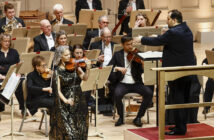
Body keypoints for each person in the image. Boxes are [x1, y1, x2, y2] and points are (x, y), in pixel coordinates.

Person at [134, 9, 196, 135]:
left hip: (175, 72)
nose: (166, 21)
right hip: (187, 71)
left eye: (168, 19)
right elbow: (168, 39)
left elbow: (158, 41)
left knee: (177, 99)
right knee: (182, 100)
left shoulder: (173, 32)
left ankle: (180, 129)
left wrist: (141, 39)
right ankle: (180, 126)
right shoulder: (186, 29)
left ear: (174, 20)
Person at [108, 36, 153, 127]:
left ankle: (139, 117)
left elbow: (142, 71)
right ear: (122, 45)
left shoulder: (137, 54)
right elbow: (109, 68)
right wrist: (117, 68)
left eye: (131, 44)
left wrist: (143, 64)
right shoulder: (117, 54)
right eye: (128, 44)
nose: (130, 46)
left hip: (136, 82)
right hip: (122, 83)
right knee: (117, 94)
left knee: (149, 93)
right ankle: (121, 117)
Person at [49, 45, 91, 139]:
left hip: (79, 99)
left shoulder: (75, 66)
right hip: (65, 102)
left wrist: (88, 68)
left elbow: (85, 78)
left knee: (80, 126)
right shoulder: (57, 71)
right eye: (66, 55)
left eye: (69, 54)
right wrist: (66, 100)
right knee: (69, 131)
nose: (69, 57)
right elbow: (58, 90)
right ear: (60, 57)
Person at [0, 33, 23, 114]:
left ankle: (23, 108)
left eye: (8, 41)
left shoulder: (14, 52)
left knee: (20, 85)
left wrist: (18, 73)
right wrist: (1, 76)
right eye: (5, 41)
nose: (7, 43)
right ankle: (2, 104)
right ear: (1, 42)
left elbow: (19, 65)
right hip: (1, 76)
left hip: (13, 76)